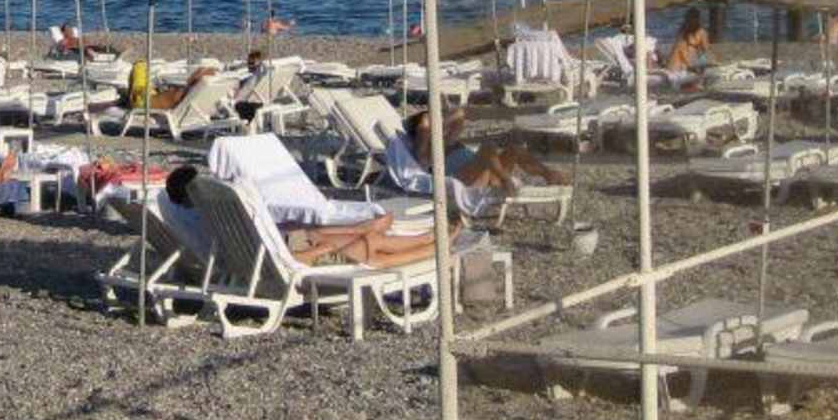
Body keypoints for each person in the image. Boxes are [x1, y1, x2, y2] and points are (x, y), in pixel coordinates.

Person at [165, 164, 439, 267]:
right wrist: (315, 252)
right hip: (287, 257)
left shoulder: (208, 218)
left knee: (314, 231)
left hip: (280, 246)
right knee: (372, 245)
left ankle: (428, 239)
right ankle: (433, 247)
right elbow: (279, 260)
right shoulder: (214, 220)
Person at [403, 107, 564, 191]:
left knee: (514, 148)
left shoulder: (446, 140)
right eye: (430, 121)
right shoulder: (424, 151)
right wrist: (425, 122)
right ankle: (506, 180)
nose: (433, 121)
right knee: (488, 148)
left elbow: (460, 113)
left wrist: (438, 123)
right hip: (464, 180)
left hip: (486, 172)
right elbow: (423, 129)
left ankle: (549, 174)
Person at [666, 8, 711, 78]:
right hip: (680, 66)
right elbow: (681, 50)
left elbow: (706, 49)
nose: (692, 21)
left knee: (703, 58)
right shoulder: (684, 33)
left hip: (685, 63)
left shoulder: (699, 32)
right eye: (691, 19)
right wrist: (691, 66)